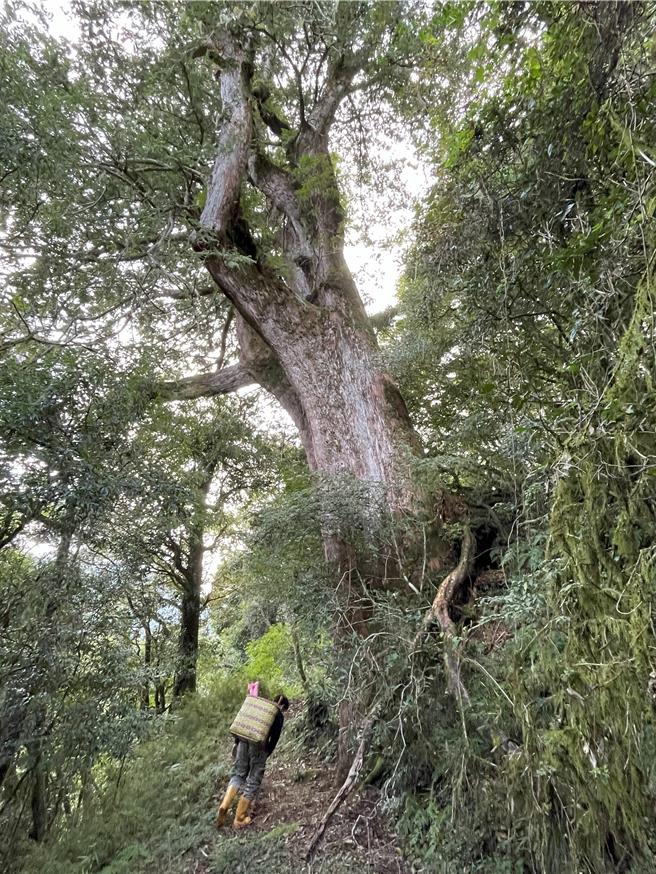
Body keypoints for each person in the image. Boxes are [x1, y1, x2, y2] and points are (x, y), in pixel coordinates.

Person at [216, 693, 290, 828]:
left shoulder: (259, 707)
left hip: (243, 741)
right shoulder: (277, 714)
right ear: (283, 707)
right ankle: (239, 818)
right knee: (253, 779)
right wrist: (267, 753)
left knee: (238, 774)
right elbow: (274, 738)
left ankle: (224, 804)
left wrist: (237, 743)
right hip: (259, 747)